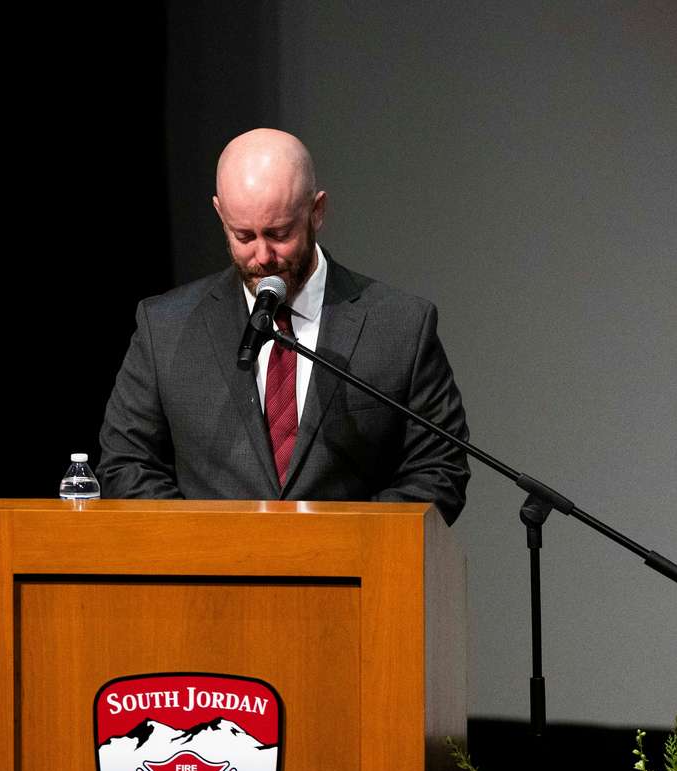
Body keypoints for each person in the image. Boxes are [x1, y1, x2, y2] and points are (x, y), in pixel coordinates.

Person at [97, 128, 470, 524]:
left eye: (279, 234)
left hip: (357, 576)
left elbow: (439, 468)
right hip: (209, 579)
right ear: (220, 214)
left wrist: (345, 544)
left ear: (317, 212)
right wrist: (206, 543)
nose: (262, 256)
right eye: (243, 236)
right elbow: (125, 464)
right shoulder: (164, 327)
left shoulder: (400, 326)